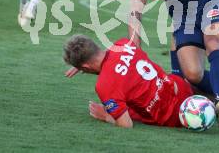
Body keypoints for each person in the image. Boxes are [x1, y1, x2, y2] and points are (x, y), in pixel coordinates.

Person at [63, 35, 197, 128]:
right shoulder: (123, 43)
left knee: (120, 110)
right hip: (182, 88)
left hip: (174, 116)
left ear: (85, 66)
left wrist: (105, 116)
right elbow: (108, 57)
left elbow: (126, 124)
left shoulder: (104, 86)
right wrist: (83, 63)